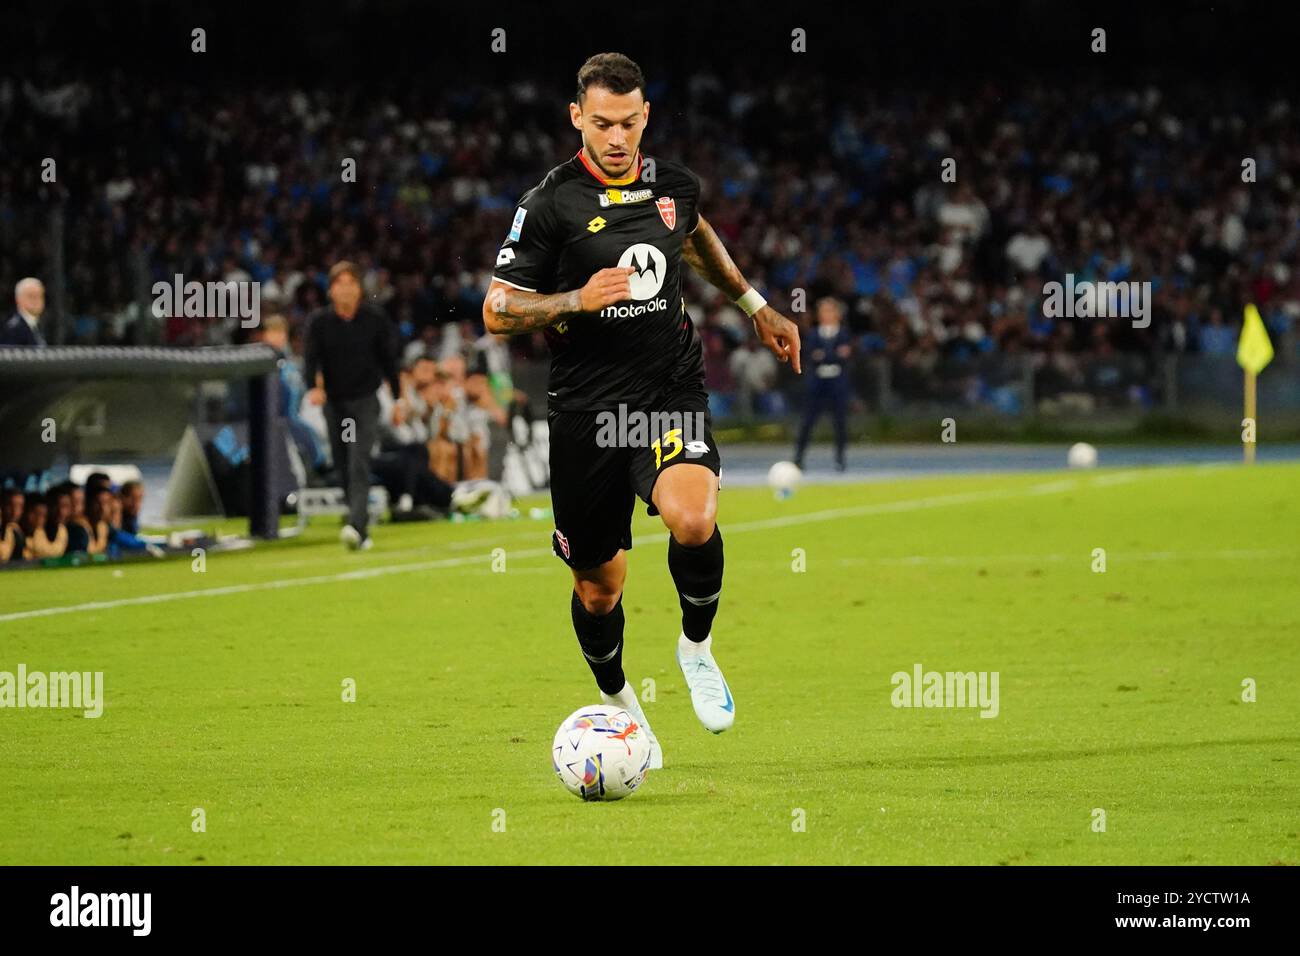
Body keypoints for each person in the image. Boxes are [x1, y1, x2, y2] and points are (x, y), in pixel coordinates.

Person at [482, 53, 801, 768]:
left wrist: (754, 306)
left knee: (694, 517)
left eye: (628, 123)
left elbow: (694, 235)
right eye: (602, 124)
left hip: (668, 392)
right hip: (586, 412)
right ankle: (623, 706)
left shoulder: (672, 185)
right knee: (599, 589)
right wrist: (573, 300)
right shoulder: (549, 204)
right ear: (577, 118)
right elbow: (497, 309)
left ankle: (696, 649)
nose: (617, 137)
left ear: (645, 115)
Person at [304, 261, 402, 550]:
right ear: (330, 290)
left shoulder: (374, 319)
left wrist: (398, 399)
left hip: (365, 402)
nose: (345, 290)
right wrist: (312, 387)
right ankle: (358, 523)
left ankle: (355, 525)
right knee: (343, 462)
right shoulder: (320, 323)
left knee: (360, 460)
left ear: (359, 289)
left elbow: (389, 361)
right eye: (339, 284)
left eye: (351, 283)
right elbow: (311, 360)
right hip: (335, 403)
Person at [794, 297, 854, 471]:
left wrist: (825, 355)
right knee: (808, 421)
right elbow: (811, 355)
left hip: (837, 382)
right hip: (817, 383)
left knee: (840, 422)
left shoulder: (843, 333)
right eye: (823, 311)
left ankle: (840, 458)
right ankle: (799, 456)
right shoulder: (814, 334)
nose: (826, 315)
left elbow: (843, 355)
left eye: (830, 311)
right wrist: (833, 355)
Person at [0, 278, 48, 346]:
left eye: (40, 296)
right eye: (31, 296)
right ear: (18, 299)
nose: (36, 300)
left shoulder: (37, 325)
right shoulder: (13, 330)